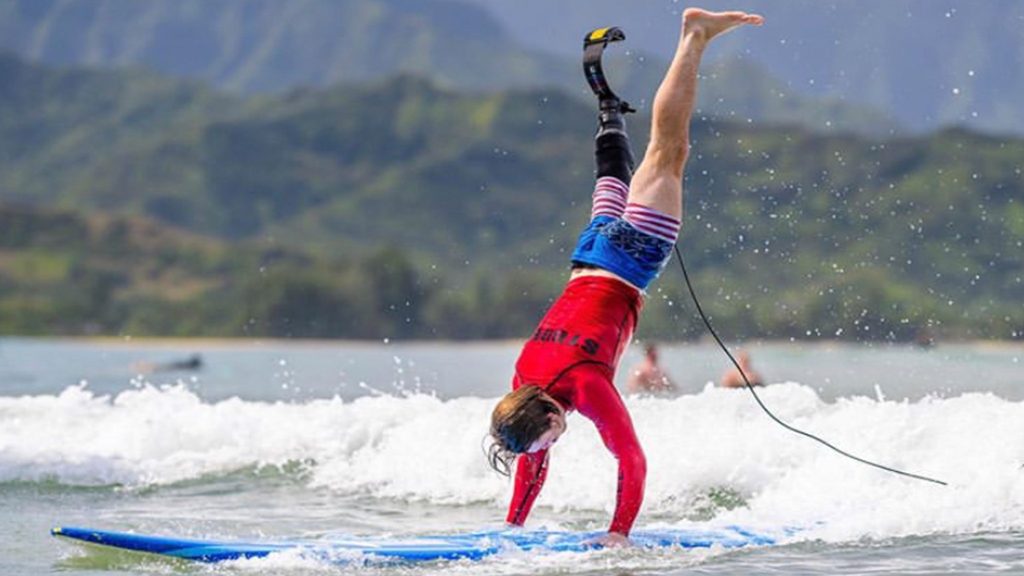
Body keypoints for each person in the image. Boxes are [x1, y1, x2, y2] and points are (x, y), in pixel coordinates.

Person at [487, 9, 764, 547]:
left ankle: (695, 35)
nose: (548, 448)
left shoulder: (585, 387)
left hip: (629, 262)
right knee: (612, 178)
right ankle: (609, 117)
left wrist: (619, 534)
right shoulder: (525, 379)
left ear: (544, 411)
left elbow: (631, 459)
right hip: (587, 255)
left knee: (669, 150)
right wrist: (511, 529)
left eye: (545, 439)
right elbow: (531, 457)